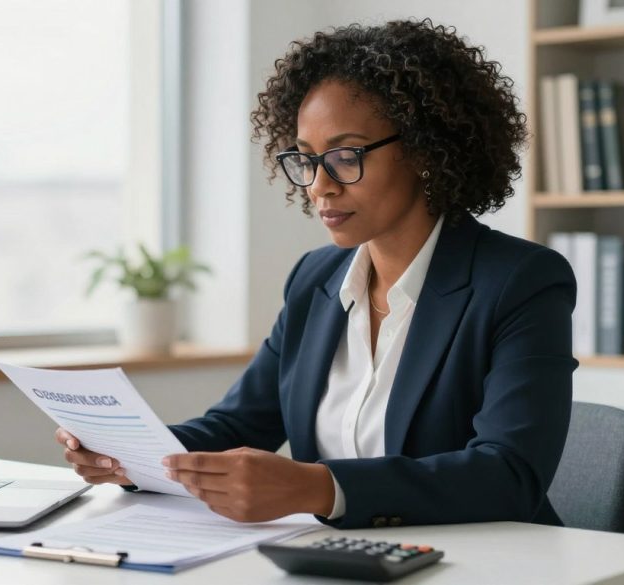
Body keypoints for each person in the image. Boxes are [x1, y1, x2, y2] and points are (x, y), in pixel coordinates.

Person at [55, 19, 576, 529]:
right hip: (331, 560)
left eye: (345, 155)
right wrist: (130, 456)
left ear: (424, 150)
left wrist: (317, 488)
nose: (319, 186)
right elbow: (239, 424)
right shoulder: (316, 279)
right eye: (306, 159)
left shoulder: (521, 282)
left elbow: (509, 473)